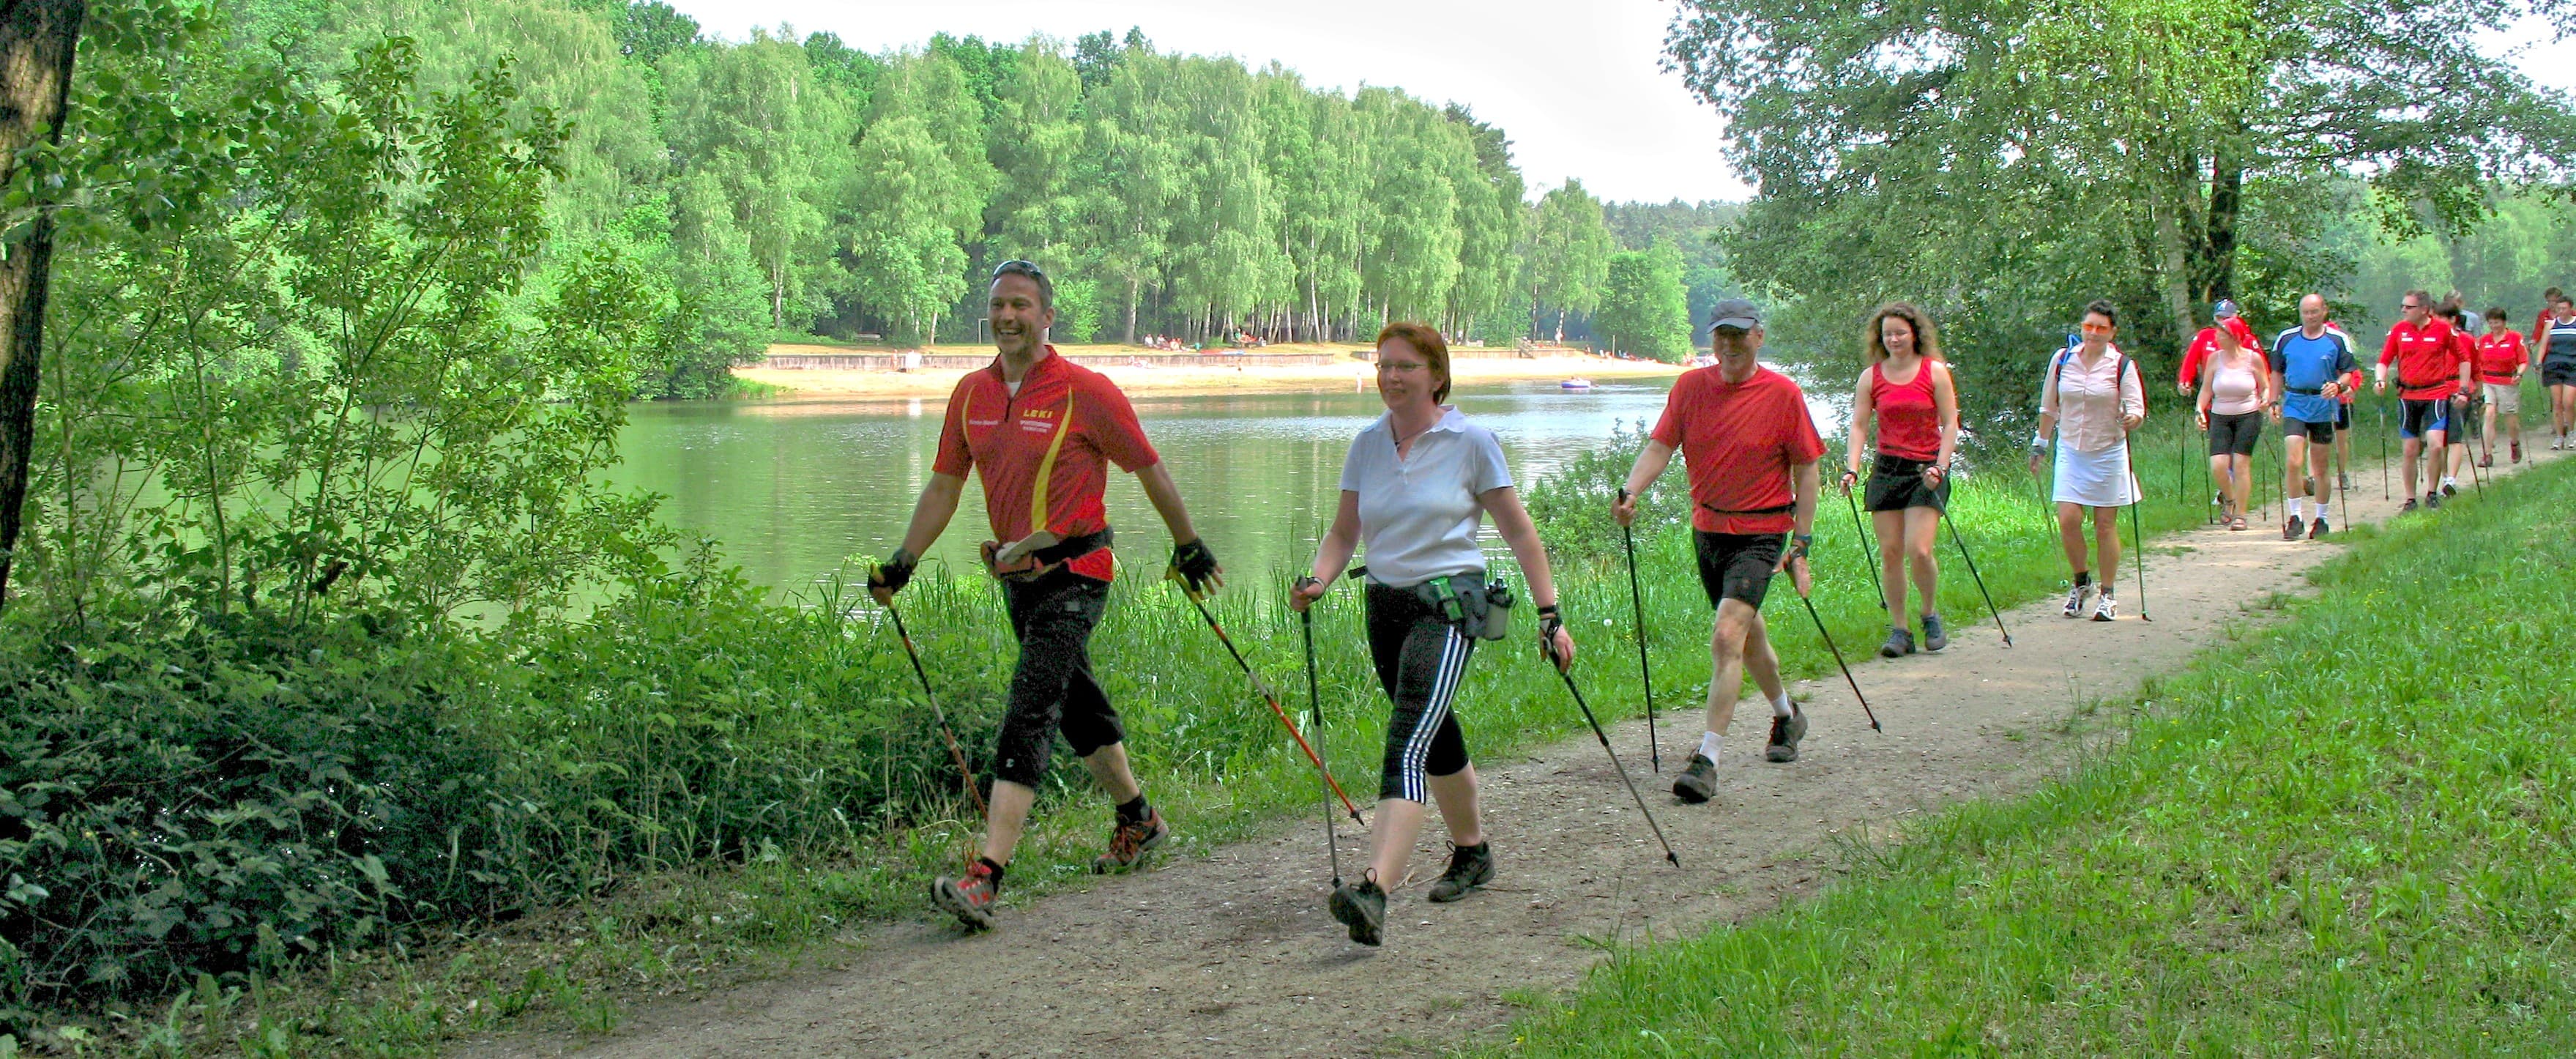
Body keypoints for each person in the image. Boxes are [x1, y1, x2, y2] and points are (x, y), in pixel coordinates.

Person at [870, 260, 1225, 931]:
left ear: (1046, 316)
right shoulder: (970, 394)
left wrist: (1188, 543)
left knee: (1031, 707)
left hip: (1078, 572)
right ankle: (1138, 819)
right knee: (1076, 707)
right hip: (1018, 581)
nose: (1009, 317)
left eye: (1023, 306)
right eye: (1000, 305)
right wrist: (905, 560)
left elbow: (1149, 466)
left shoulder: (1084, 391)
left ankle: (987, 875)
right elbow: (945, 486)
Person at [1292, 322, 1576, 948]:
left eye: (1405, 367)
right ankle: (1473, 853)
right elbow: (1344, 534)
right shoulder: (1368, 443)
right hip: (1383, 607)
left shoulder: (1471, 441)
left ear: (1437, 375)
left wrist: (1549, 612)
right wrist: (1317, 579)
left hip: (1447, 607)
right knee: (1433, 728)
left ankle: (1374, 889)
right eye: (1383, 365)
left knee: (1407, 739)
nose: (1390, 377)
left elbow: (1521, 533)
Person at [1615, 298, 1823, 803]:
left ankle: (1707, 759)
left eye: (1739, 334)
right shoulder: (1690, 387)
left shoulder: (1783, 394)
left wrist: (1802, 542)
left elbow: (1808, 467)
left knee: (1727, 634)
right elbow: (1662, 446)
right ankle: (1786, 716)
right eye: (1721, 335)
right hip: (1709, 530)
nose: (1729, 344)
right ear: (1712, 340)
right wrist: (1632, 490)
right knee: (1747, 637)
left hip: (1761, 531)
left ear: (1758, 336)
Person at [1838, 302, 1959, 655]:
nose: (1894, 339)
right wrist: (1852, 467)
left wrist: (1942, 465)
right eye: (1887, 334)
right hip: (1887, 471)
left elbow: (1951, 423)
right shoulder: (1871, 377)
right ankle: (1900, 630)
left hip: (1926, 471)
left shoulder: (1934, 372)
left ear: (1915, 335)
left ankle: (1929, 613)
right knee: (1891, 554)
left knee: (1919, 550)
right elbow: (1859, 425)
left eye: (1900, 333)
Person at [2028, 300, 2145, 620]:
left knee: (2105, 525)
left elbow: (2136, 407)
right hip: (2070, 448)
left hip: (2108, 450)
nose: (2093, 333)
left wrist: (2132, 418)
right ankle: (2081, 582)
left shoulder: (2121, 365)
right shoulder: (2063, 360)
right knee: (2067, 519)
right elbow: (2049, 406)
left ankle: (2108, 594)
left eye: (2101, 328)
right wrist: (2040, 445)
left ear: (2112, 332)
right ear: (2082, 327)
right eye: (2089, 326)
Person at [2268, 294, 2359, 539]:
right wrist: (2273, 401)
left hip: (2323, 405)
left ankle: (2322, 518)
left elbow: (2349, 372)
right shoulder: (2286, 338)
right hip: (2295, 402)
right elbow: (2276, 372)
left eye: (2314, 312)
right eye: (2306, 312)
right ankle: (2295, 517)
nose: (2310, 317)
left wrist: (2338, 386)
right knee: (2294, 461)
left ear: (2324, 312)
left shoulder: (2337, 340)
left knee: (2320, 466)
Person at [2373, 289, 2471, 510]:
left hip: (2435, 393)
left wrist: (2464, 390)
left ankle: (2431, 493)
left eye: (2409, 307)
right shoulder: (2399, 330)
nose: (2403, 311)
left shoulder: (2443, 329)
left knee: (2436, 446)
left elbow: (2464, 359)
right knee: (2410, 449)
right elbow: (2384, 360)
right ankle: (2410, 498)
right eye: (2403, 306)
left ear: (2424, 309)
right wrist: (2380, 379)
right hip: (2407, 395)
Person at [2196, 315, 2271, 532]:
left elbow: (2264, 386)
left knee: (2240, 464)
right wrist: (2199, 409)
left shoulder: (2252, 359)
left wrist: (2266, 398)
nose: (2216, 336)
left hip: (2248, 414)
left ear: (2234, 337)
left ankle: (2241, 514)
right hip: (2220, 415)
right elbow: (2207, 389)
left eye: (2221, 333)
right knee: (2218, 465)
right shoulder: (2214, 359)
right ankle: (2230, 499)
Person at [2474, 306, 2529, 466]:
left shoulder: (2514, 337)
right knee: (2489, 414)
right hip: (2488, 381)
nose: (2494, 326)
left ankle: (2514, 443)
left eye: (2497, 322)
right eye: (2491, 323)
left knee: (2510, 417)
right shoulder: (2484, 340)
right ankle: (2487, 454)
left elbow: (2523, 360)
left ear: (2504, 322)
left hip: (2507, 383)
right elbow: (2477, 361)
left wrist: (2519, 374)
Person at [2173, 298, 2255, 398]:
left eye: (2226, 318)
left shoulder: (2246, 339)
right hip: (2212, 394)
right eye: (2219, 318)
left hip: (2242, 395)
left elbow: (2261, 368)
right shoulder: (2205, 336)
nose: (2222, 322)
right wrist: (2185, 380)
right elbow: (2190, 360)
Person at [2438, 305, 2480, 491]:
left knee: (2455, 436)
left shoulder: (2467, 340)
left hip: (2460, 389)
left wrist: (2477, 390)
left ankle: (2451, 480)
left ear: (2453, 319)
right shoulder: (2432, 340)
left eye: (2441, 319)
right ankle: (2444, 475)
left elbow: (2476, 365)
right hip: (2437, 389)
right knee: (2439, 439)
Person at [2542, 294, 2576, 450]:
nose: (2561, 311)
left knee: (2568, 402)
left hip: (2573, 365)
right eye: (2559, 309)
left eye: (2564, 308)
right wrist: (2538, 361)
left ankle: (2572, 433)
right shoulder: (2551, 324)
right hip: (2554, 365)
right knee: (2557, 403)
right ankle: (2559, 436)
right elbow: (2543, 346)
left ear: (2571, 309)